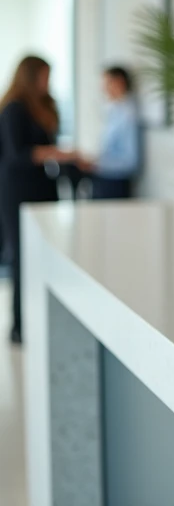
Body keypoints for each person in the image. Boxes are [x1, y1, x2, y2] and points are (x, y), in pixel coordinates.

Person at [0, 56, 84, 344]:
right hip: (17, 189)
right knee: (22, 255)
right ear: (30, 76)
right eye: (44, 76)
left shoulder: (45, 106)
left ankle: (43, 320)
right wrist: (58, 154)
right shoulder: (13, 109)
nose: (47, 82)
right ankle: (20, 326)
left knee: (44, 253)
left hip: (43, 187)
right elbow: (16, 156)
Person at [91, 66, 141, 199]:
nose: (103, 89)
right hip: (103, 178)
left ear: (119, 82)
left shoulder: (128, 114)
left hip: (116, 184)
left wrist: (95, 164)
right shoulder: (113, 110)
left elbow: (130, 162)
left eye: (107, 83)